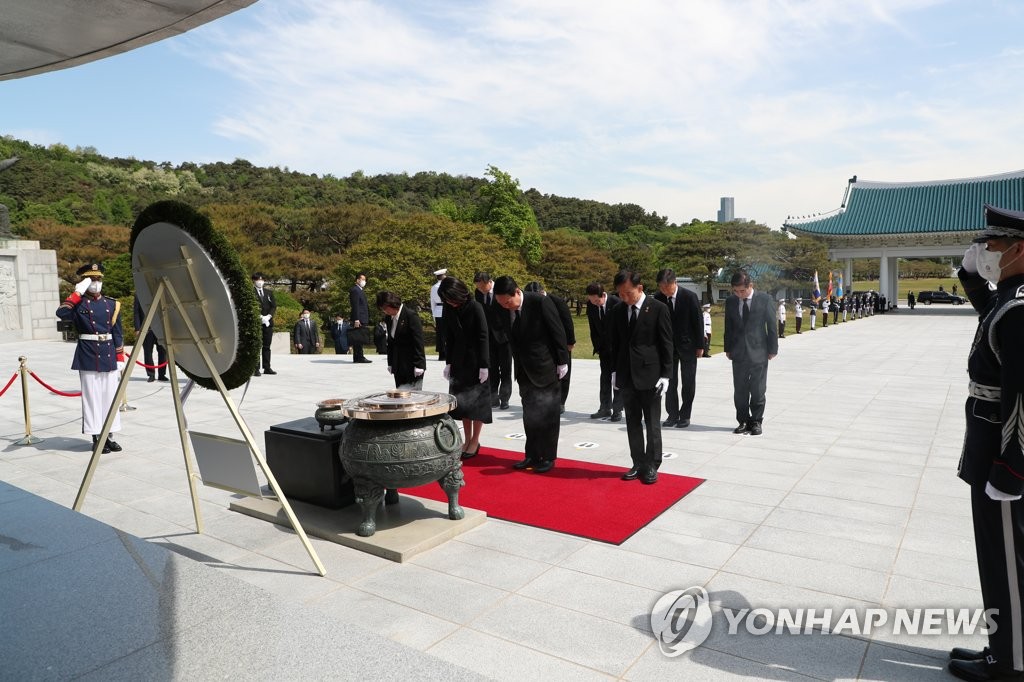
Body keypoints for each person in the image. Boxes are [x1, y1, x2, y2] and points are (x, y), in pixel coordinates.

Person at [946, 205, 1024, 682]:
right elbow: (986, 310)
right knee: (995, 557)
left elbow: (1022, 396)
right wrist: (967, 273)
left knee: (1005, 563)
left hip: (1002, 450)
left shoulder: (1018, 309)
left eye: (992, 245)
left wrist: (1011, 468)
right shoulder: (1009, 298)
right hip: (989, 441)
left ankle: (1011, 663)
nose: (985, 251)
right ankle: (1005, 645)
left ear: (1019, 248)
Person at [494, 275, 568, 473]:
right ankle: (532, 455)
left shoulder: (540, 302)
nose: (506, 306)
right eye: (501, 303)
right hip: (523, 370)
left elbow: (557, 331)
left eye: (508, 302)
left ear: (517, 292)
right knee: (530, 415)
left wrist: (562, 362)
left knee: (549, 415)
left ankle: (549, 456)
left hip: (546, 366)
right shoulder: (503, 308)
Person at [610, 269, 672, 485]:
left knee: (653, 422)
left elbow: (666, 343)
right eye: (620, 294)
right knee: (632, 422)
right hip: (627, 376)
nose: (624, 298)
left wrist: (666, 375)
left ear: (640, 288)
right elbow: (616, 344)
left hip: (651, 375)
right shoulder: (618, 310)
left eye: (628, 293)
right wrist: (614, 372)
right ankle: (637, 462)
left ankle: (652, 464)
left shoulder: (658, 308)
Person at [56, 263, 124, 454]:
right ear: (84, 282)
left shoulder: (112, 304)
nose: (96, 283)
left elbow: (117, 332)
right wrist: (77, 293)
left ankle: (109, 435)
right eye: (91, 279)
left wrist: (120, 356)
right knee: (93, 398)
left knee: (110, 398)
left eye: (98, 279)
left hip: (109, 353)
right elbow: (62, 313)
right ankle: (96, 437)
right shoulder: (77, 305)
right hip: (88, 354)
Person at [440, 277, 491, 459]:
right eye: (446, 300)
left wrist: (484, 365)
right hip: (459, 361)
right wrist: (449, 362)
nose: (449, 303)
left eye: (451, 299)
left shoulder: (475, 307)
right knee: (462, 403)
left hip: (476, 362)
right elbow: (449, 336)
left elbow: (483, 336)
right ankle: (466, 438)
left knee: (476, 404)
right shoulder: (449, 308)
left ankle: (475, 440)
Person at [723, 270, 778, 436]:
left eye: (742, 291)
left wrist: (772, 349)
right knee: (739, 390)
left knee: (758, 389)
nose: (739, 294)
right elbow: (728, 326)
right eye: (736, 291)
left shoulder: (764, 299)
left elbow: (772, 326)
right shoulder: (731, 301)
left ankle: (756, 421)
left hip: (759, 351)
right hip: (738, 352)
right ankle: (742, 420)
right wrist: (727, 348)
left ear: (750, 286)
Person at [653, 269, 702, 429]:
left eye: (667, 287)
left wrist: (700, 345)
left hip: (688, 346)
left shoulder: (689, 297)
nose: (664, 290)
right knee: (669, 382)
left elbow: (698, 322)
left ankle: (685, 415)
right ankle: (672, 415)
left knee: (688, 382)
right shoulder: (658, 298)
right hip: (667, 347)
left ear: (675, 283)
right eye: (661, 287)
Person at [524, 281, 575, 414]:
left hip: (561, 342)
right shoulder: (528, 303)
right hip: (542, 344)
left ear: (542, 292)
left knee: (564, 373)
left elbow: (567, 322)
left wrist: (570, 342)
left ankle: (561, 401)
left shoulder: (557, 301)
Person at [473, 271, 512, 410]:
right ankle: (493, 397)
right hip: (488, 337)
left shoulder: (501, 291)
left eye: (482, 286)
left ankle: (505, 398)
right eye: (478, 287)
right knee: (492, 368)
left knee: (506, 369)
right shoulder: (478, 294)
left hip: (504, 337)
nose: (480, 289)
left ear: (489, 282)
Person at [585, 282, 623, 421]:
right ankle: (605, 407)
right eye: (592, 300)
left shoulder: (617, 303)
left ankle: (617, 409)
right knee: (605, 378)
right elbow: (593, 328)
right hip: (603, 348)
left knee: (616, 379)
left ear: (603, 295)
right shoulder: (591, 305)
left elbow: (623, 329)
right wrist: (597, 346)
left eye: (597, 300)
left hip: (617, 348)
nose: (595, 303)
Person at [376, 291, 426, 390]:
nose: (384, 311)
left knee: (413, 397)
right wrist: (390, 363)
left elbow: (418, 341)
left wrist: (419, 364)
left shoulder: (410, 315)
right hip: (398, 364)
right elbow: (390, 341)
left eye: (385, 309)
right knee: (400, 395)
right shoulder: (389, 318)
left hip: (412, 364)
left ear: (392, 304)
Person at [132, 293, 167, 382]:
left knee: (163, 352)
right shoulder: (139, 294)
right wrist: (137, 328)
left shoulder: (161, 292)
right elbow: (136, 312)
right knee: (148, 352)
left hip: (160, 328)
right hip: (146, 329)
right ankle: (151, 374)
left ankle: (162, 374)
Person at [252, 272, 277, 375]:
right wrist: (259, 316)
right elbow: (250, 305)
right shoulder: (250, 292)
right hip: (257, 322)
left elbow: (273, 306)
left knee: (267, 346)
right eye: (258, 280)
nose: (260, 282)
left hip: (268, 323)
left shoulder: (268, 292)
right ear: (254, 281)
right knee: (257, 346)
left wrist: (269, 316)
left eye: (262, 280)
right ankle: (255, 369)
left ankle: (267, 367)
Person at [349, 272, 372, 363]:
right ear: (357, 280)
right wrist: (356, 319)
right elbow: (356, 306)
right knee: (358, 338)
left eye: (365, 280)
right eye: (362, 279)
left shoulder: (360, 290)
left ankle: (358, 356)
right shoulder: (355, 290)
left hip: (362, 317)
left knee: (359, 338)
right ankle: (359, 357)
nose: (364, 281)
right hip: (359, 318)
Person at [430, 268, 447, 361]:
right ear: (443, 276)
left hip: (438, 311)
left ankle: (441, 354)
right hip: (447, 310)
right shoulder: (448, 286)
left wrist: (433, 314)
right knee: (448, 332)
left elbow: (432, 302)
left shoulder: (433, 287)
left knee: (440, 334)